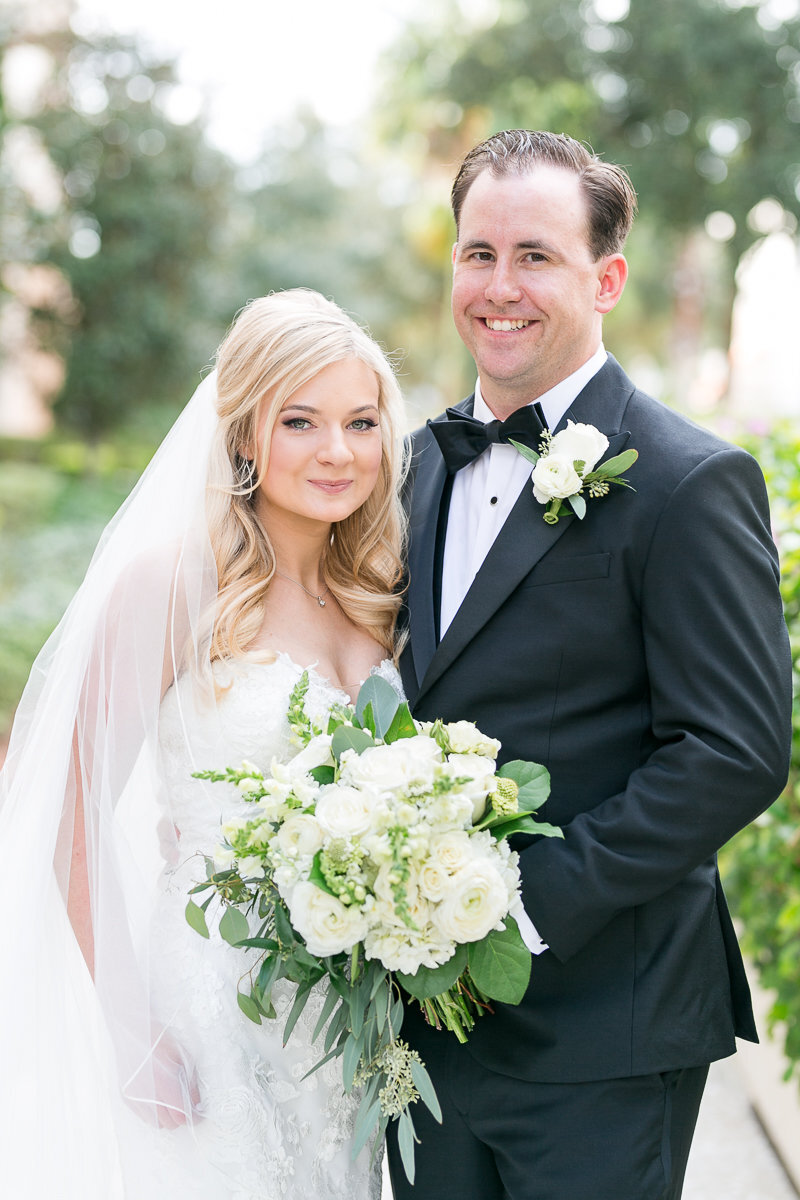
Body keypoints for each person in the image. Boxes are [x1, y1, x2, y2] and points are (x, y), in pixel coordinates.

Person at [389, 129, 793, 1200]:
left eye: (535, 256)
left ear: (605, 277)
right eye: (478, 254)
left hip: (603, 1029)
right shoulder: (418, 464)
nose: (498, 286)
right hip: (422, 1036)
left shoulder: (688, 481)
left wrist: (519, 905)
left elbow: (734, 750)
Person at [0, 288, 408, 1198]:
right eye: (300, 421)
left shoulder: (381, 594)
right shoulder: (177, 581)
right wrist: (132, 1026)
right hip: (214, 1001)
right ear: (243, 437)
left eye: (361, 422)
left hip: (349, 1027)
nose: (338, 452)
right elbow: (70, 815)